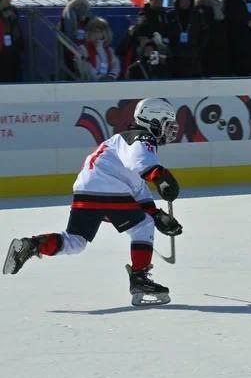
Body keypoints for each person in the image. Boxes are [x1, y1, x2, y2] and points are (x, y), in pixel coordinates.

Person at [3, 97, 185, 307]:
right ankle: (140, 280)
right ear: (153, 121)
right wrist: (160, 176)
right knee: (142, 227)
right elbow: (140, 163)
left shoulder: (120, 140)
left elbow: (136, 187)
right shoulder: (141, 138)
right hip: (110, 188)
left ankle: (32, 244)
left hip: (86, 189)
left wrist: (155, 214)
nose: (170, 131)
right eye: (166, 124)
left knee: (75, 241)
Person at [193, 0, 231, 77]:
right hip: (212, 37)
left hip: (212, 38)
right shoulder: (207, 3)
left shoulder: (212, 2)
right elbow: (219, 18)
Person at [166, 0, 203, 79]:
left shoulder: (196, 15)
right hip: (175, 55)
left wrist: (199, 46)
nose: (185, 2)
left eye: (188, 0)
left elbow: (203, 31)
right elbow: (165, 31)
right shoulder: (170, 15)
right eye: (183, 0)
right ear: (178, 0)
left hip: (192, 55)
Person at [0, 0, 23, 83]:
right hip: (2, 48)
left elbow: (16, 31)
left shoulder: (12, 10)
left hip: (12, 47)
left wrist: (12, 18)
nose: (10, 0)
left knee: (13, 71)